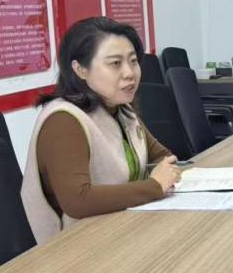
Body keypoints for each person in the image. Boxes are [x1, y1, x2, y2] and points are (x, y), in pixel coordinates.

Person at [21, 17, 182, 244]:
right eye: (115, 63)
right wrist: (154, 186)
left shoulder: (120, 109)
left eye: (133, 61)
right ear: (81, 70)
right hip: (75, 247)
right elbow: (78, 200)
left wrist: (163, 176)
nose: (129, 72)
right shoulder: (63, 120)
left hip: (121, 230)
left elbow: (164, 157)